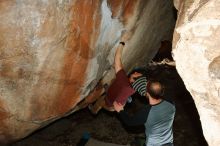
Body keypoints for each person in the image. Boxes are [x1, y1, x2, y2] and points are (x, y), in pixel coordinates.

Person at [88, 32, 145, 114]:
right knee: (115, 83)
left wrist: (122, 42)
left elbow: (117, 59)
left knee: (100, 103)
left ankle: (93, 110)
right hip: (118, 103)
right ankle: (109, 91)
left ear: (133, 80)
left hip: (110, 105)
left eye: (137, 74)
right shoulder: (134, 88)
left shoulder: (123, 81)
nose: (136, 72)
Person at [114, 80, 176, 146]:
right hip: (169, 143)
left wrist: (120, 111)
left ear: (147, 93)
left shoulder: (146, 112)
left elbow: (129, 121)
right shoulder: (171, 103)